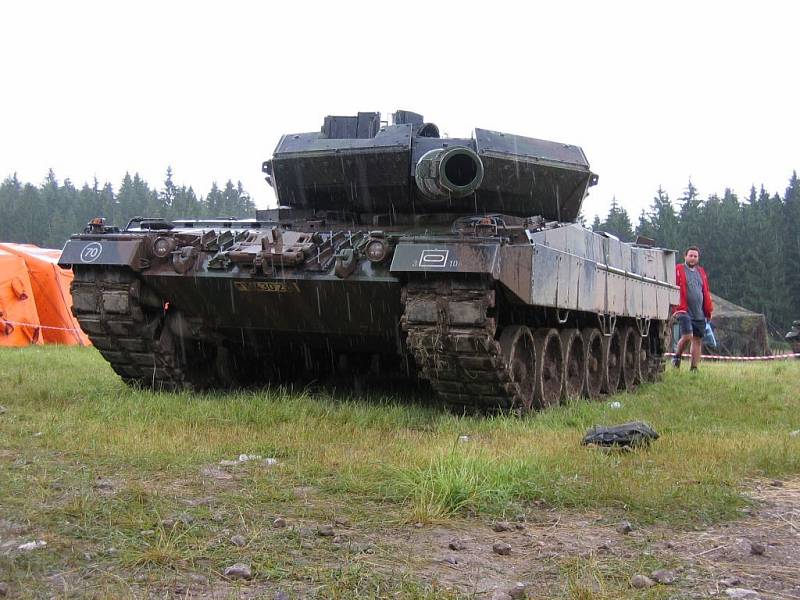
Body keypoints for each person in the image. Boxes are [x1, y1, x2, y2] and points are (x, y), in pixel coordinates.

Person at [672, 246, 713, 371]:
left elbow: (705, 291)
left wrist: (708, 310)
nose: (693, 258)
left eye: (695, 256)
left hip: (699, 312)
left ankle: (694, 368)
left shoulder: (701, 272)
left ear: (698, 258)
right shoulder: (678, 269)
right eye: (690, 255)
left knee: (697, 340)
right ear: (685, 256)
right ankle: (677, 356)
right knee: (688, 336)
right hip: (683, 309)